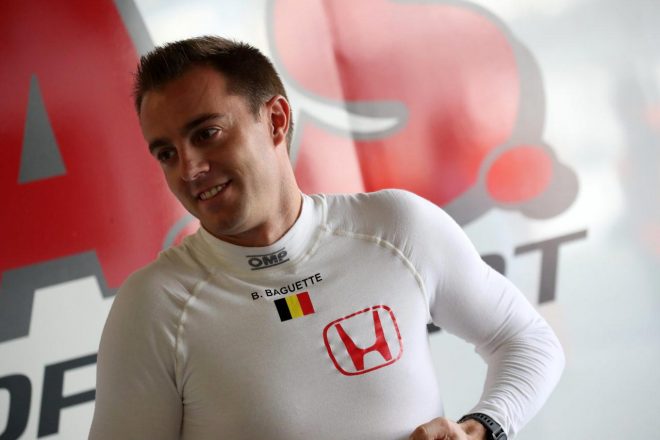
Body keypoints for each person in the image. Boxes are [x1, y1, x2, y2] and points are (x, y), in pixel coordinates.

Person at [89, 36, 564, 440]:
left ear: (275, 120)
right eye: (166, 154)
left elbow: (528, 342)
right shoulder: (155, 305)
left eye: (207, 133)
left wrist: (484, 426)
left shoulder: (395, 227)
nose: (189, 169)